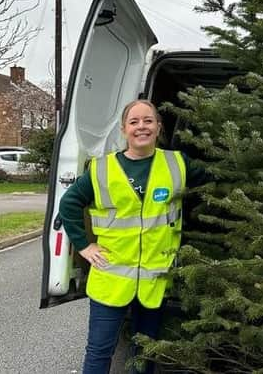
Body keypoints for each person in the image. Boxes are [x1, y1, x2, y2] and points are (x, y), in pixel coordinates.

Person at [59, 100, 210, 374]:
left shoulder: (177, 163)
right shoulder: (101, 169)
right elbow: (69, 204)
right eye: (134, 122)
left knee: (145, 353)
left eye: (148, 121)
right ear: (124, 130)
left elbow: (215, 180)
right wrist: (83, 246)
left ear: (158, 127)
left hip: (155, 280)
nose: (142, 127)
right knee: (99, 351)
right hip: (111, 279)